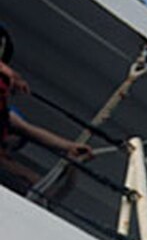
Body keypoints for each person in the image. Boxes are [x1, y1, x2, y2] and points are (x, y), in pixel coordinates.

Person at [0, 25, 93, 195]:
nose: (9, 144)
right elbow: (28, 131)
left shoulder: (6, 120)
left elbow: (31, 132)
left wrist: (70, 148)